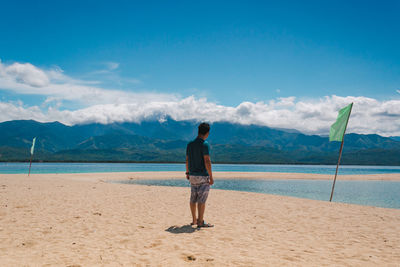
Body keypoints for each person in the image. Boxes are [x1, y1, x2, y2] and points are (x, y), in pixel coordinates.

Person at [185, 122, 214, 228]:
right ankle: (200, 221)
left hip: (192, 175)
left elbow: (187, 160)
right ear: (207, 133)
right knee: (202, 200)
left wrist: (187, 172)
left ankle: (194, 220)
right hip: (202, 176)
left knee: (193, 198)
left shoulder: (190, 144)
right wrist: (211, 176)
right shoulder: (204, 144)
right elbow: (207, 160)